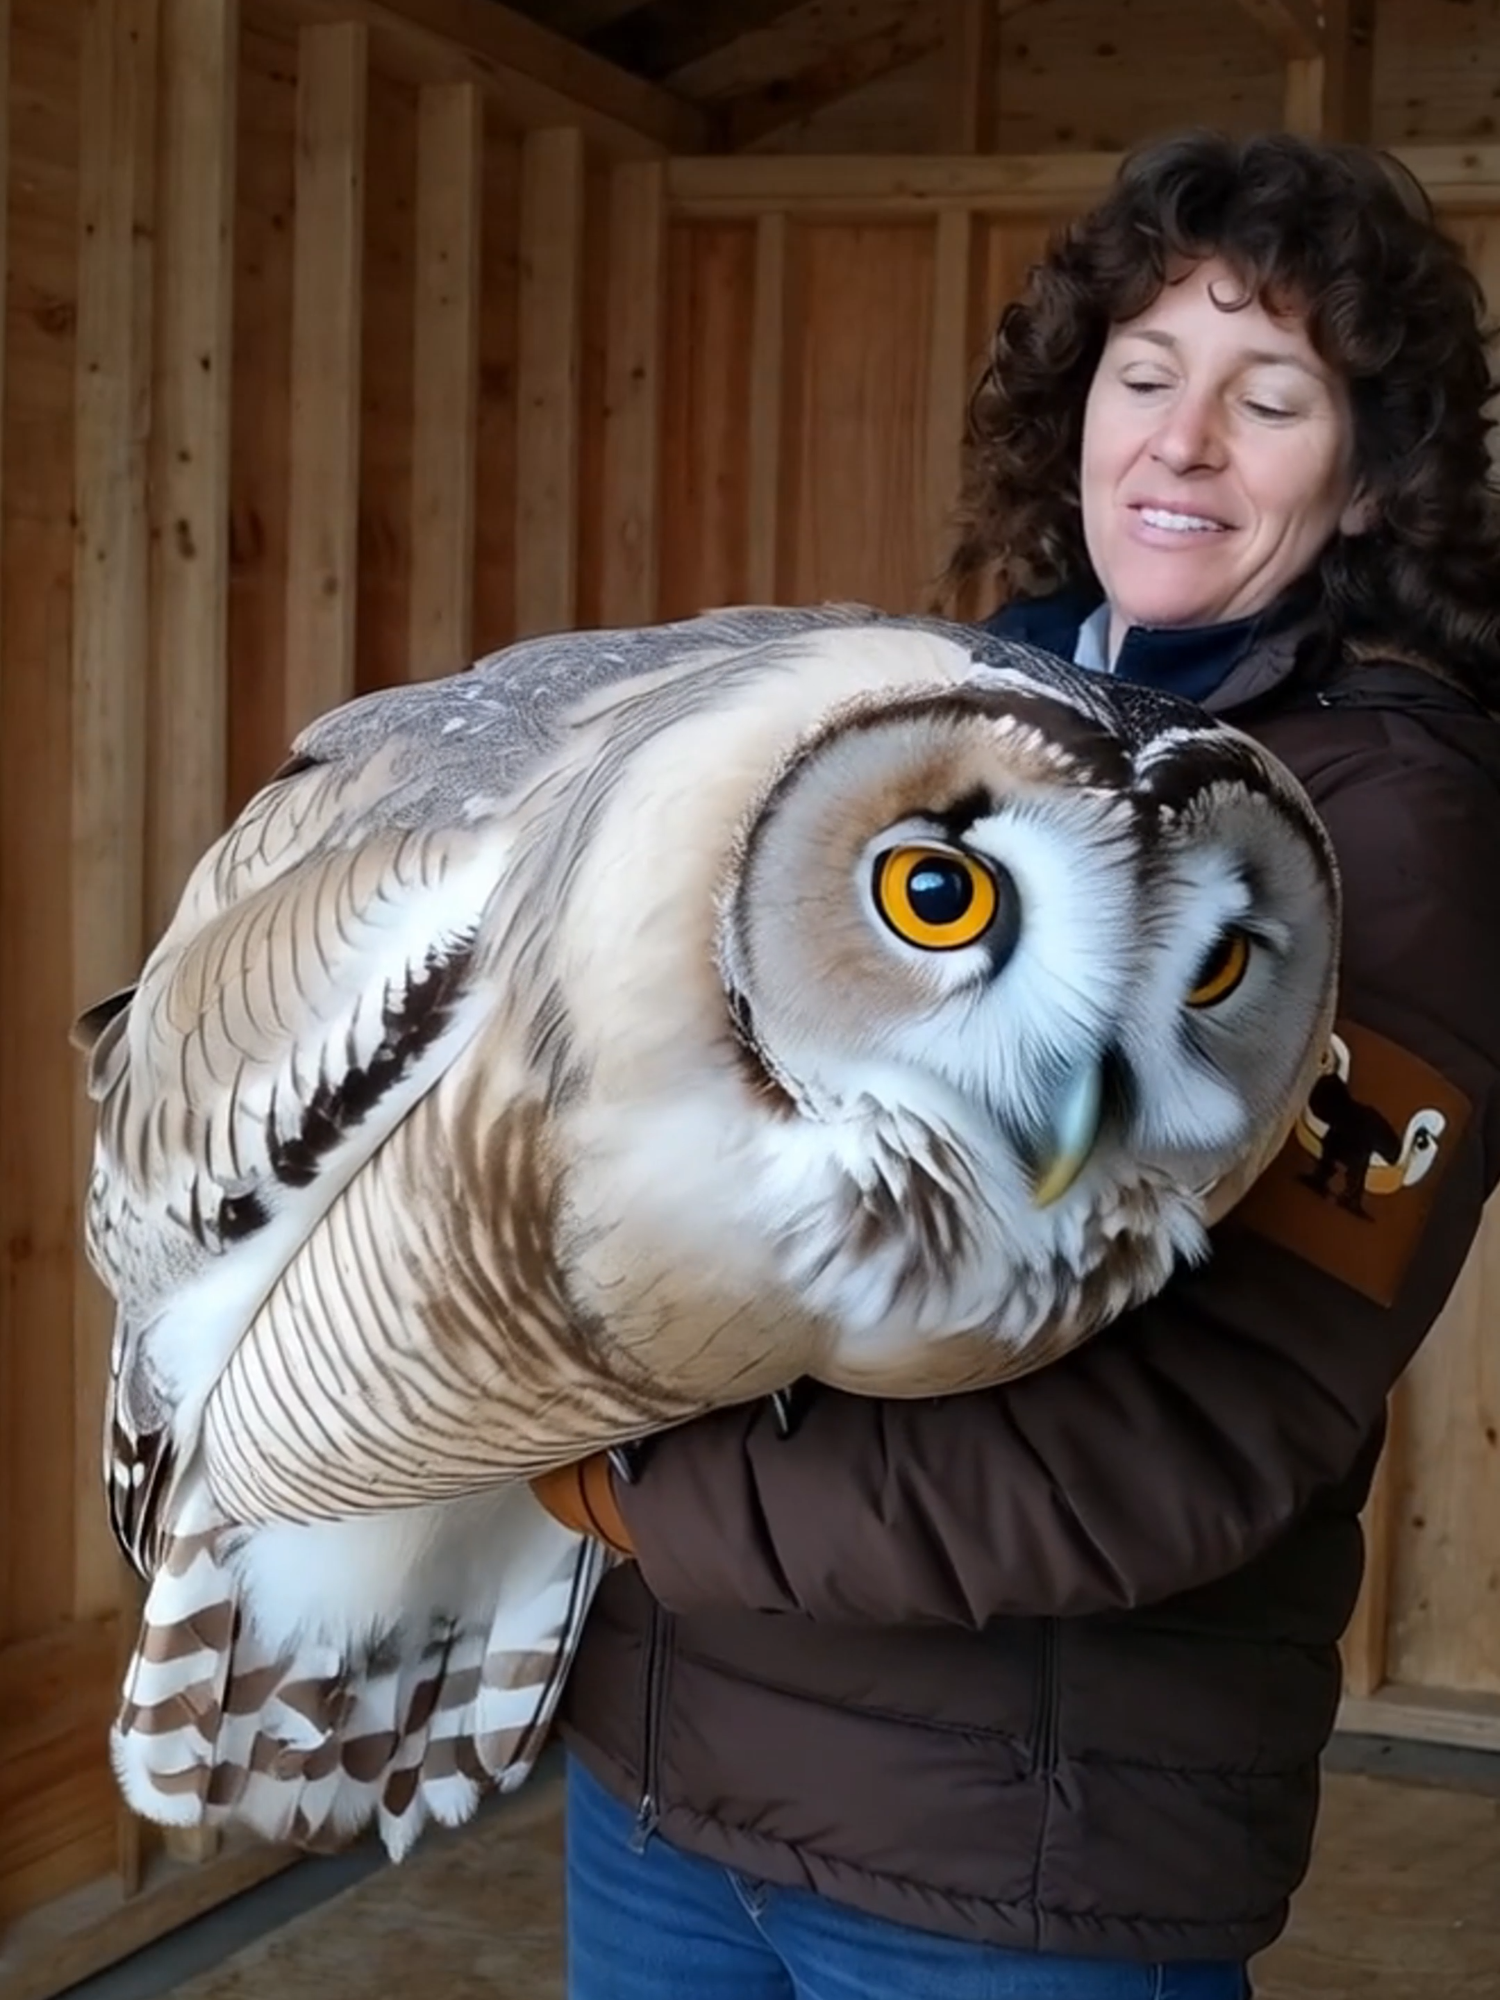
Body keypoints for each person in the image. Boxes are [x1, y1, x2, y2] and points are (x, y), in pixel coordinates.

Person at [534, 129, 1500, 1998]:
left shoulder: (1393, 841)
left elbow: (1191, 1431)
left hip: (1008, 1861)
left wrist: (627, 1494)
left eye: (1269, 396)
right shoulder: (934, 719)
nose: (1180, 441)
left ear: (1374, 478)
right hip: (664, 1779)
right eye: (1144, 374)